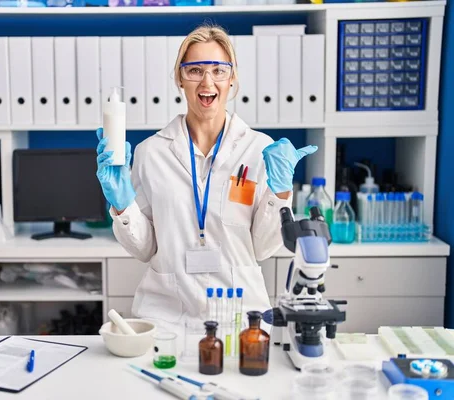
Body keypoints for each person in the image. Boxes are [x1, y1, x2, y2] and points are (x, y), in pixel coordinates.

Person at [95, 24, 317, 333]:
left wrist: (280, 194)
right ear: (180, 79)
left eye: (218, 70)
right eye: (195, 70)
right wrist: (122, 207)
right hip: (166, 316)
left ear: (232, 78)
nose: (207, 81)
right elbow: (145, 249)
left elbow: (263, 249)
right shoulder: (151, 153)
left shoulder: (259, 150)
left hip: (240, 315)